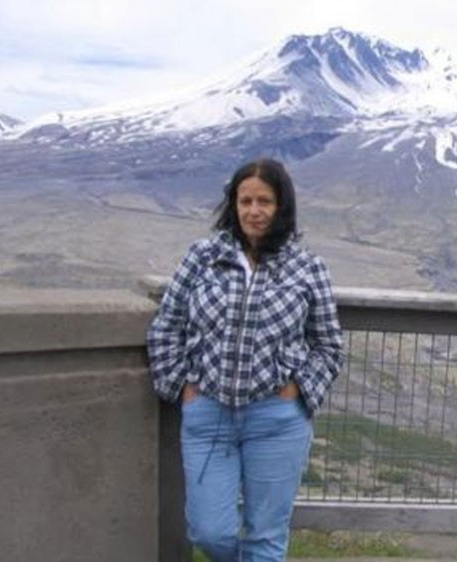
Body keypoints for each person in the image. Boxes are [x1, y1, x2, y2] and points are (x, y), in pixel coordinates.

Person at [147, 158, 344, 561]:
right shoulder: (201, 258)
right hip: (208, 414)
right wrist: (182, 387)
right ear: (233, 206)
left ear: (282, 206)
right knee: (209, 532)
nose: (254, 211)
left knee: (267, 538)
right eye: (245, 201)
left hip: (277, 419)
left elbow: (328, 344)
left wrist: (299, 390)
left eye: (265, 201)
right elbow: (167, 326)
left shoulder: (307, 268)